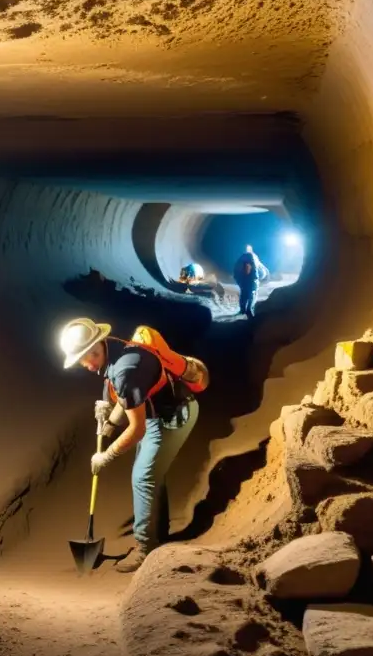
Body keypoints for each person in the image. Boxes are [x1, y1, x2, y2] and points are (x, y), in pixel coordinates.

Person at [59, 317, 209, 573]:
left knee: (143, 476)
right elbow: (129, 395)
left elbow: (136, 429)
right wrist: (110, 422)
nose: (83, 365)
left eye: (83, 359)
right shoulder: (113, 348)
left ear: (94, 349)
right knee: (150, 474)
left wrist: (105, 455)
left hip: (173, 416)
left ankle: (146, 548)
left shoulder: (125, 369)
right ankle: (157, 534)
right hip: (153, 413)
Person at [233, 245, 268, 319]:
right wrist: (264, 274)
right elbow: (260, 268)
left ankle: (243, 310)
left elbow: (236, 268)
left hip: (246, 280)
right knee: (252, 294)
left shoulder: (243, 257)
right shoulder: (252, 257)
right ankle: (248, 310)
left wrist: (237, 278)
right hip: (252, 279)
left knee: (245, 294)